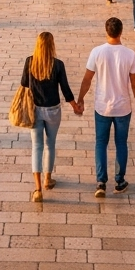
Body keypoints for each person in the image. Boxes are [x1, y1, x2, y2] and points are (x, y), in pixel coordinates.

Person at [76, 16, 135, 198]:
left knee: (101, 143)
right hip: (123, 107)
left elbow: (87, 79)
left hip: (102, 107)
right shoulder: (129, 54)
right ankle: (120, 181)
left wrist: (80, 99)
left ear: (106, 31)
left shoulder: (97, 52)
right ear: (121, 32)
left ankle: (101, 182)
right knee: (121, 143)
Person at [21, 32, 80, 202]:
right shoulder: (58, 64)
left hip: (35, 110)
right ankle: (48, 179)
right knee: (50, 144)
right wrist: (75, 106)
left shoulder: (30, 62)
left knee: (36, 147)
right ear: (52, 45)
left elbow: (24, 84)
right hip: (53, 110)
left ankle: (38, 189)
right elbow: (65, 89)